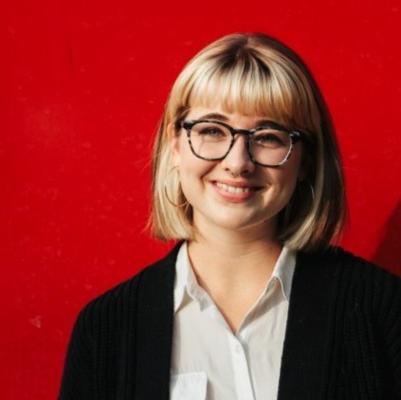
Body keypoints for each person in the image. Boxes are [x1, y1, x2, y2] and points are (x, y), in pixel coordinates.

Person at [58, 32, 401, 400]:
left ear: (305, 160)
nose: (238, 163)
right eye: (211, 130)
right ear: (175, 145)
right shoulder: (106, 329)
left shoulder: (381, 309)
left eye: (268, 136)